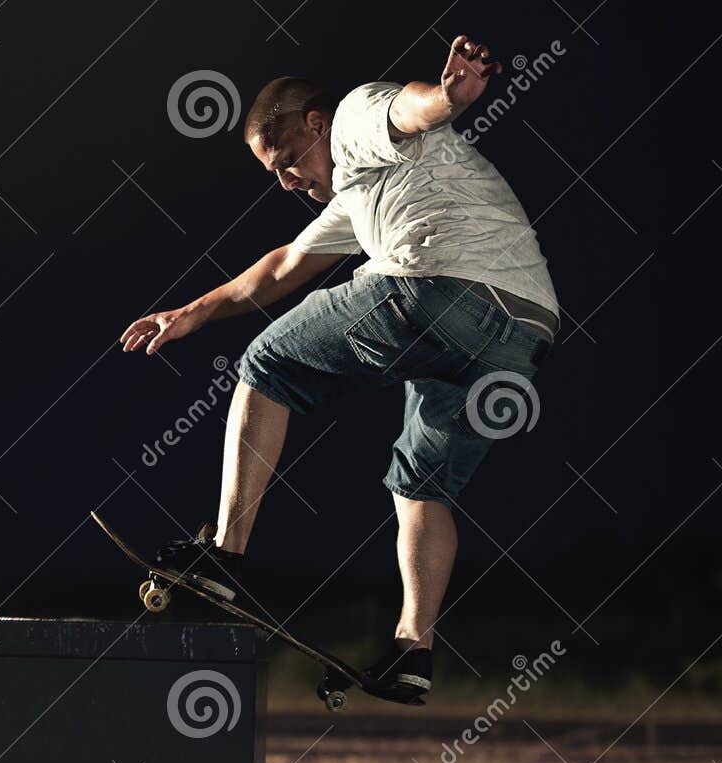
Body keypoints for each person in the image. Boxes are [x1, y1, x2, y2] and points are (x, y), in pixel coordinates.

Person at [120, 35, 558, 702]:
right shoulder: (362, 192)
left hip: (440, 287)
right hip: (521, 335)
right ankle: (413, 650)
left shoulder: (353, 119)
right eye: (273, 174)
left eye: (288, 161)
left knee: (268, 362)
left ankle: (225, 557)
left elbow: (405, 110)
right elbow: (284, 266)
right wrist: (193, 311)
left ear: (314, 124)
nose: (287, 181)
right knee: (421, 483)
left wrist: (447, 98)